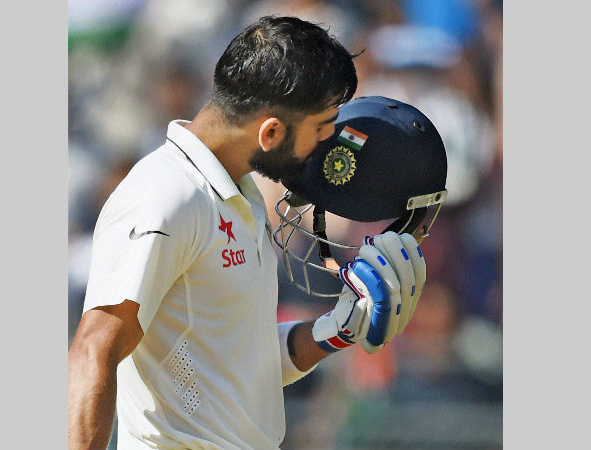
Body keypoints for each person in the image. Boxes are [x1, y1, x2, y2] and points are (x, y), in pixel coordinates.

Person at [68, 16, 437, 450]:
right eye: (321, 128)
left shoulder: (239, 192)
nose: (326, 143)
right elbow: (95, 350)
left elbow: (241, 363)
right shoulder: (165, 194)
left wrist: (338, 328)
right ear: (271, 132)